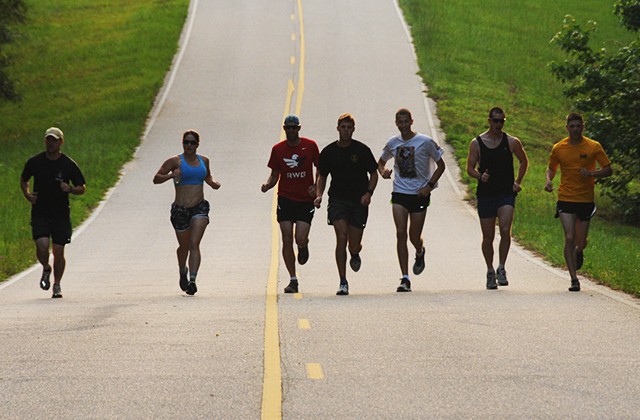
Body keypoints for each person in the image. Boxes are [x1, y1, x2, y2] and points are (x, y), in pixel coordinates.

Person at [378, 108, 446, 293]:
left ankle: (419, 250)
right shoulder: (393, 143)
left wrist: (429, 186)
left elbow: (441, 165)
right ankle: (405, 277)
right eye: (399, 122)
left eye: (406, 121)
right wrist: (383, 172)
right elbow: (381, 161)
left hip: (419, 194)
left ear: (411, 122)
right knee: (401, 233)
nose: (403, 125)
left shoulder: (425, 142)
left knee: (414, 235)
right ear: (396, 123)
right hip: (400, 192)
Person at [545, 112, 612, 292]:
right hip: (566, 197)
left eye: (578, 126)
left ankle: (578, 250)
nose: (575, 129)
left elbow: (608, 169)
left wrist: (592, 174)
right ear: (567, 128)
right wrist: (549, 180)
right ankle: (574, 279)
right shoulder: (559, 148)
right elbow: (551, 168)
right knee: (569, 236)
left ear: (583, 126)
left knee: (580, 241)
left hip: (585, 199)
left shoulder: (593, 146)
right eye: (572, 126)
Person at [314, 113, 378, 296]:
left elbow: (374, 173)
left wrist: (369, 193)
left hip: (359, 201)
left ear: (353, 129)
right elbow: (322, 176)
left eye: (349, 127)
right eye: (343, 127)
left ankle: (355, 253)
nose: (346, 130)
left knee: (353, 244)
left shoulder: (362, 150)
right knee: (341, 236)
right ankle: (343, 280)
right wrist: (319, 195)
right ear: (338, 128)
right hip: (337, 201)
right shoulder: (328, 152)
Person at [466, 107, 528, 290]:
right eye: (495, 121)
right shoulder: (477, 143)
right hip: (486, 194)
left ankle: (502, 267)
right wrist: (479, 176)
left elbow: (523, 160)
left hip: (506, 193)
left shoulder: (511, 142)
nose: (498, 125)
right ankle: (490, 270)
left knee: (505, 228)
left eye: (502, 121)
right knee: (488, 236)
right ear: (489, 121)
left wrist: (518, 181)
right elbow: (469, 168)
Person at [20, 127, 86, 298]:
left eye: (55, 140)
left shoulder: (68, 164)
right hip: (40, 211)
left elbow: (82, 187)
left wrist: (70, 188)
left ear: (61, 142)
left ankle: (57, 285)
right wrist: (27, 194)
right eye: (49, 140)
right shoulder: (35, 162)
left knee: (58, 251)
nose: (51, 143)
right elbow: (24, 179)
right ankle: (46, 268)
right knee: (41, 246)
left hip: (60, 214)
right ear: (45, 141)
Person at [153, 130, 221, 295]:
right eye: (186, 142)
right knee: (184, 247)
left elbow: (207, 177)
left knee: (194, 244)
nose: (189, 145)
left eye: (192, 142)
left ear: (198, 144)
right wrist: (171, 175)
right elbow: (156, 178)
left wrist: (213, 183)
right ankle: (182, 270)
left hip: (199, 207)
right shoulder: (175, 161)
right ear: (182, 143)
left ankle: (192, 280)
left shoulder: (204, 161)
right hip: (180, 209)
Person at [261, 114, 320, 294]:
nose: (291, 131)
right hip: (285, 198)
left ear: (299, 128)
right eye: (288, 128)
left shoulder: (310, 146)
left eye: (294, 127)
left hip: (304, 199)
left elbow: (321, 169)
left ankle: (303, 246)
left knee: (299, 237)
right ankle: (293, 279)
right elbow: (275, 174)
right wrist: (267, 185)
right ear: (284, 129)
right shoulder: (278, 150)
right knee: (286, 237)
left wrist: (316, 186)